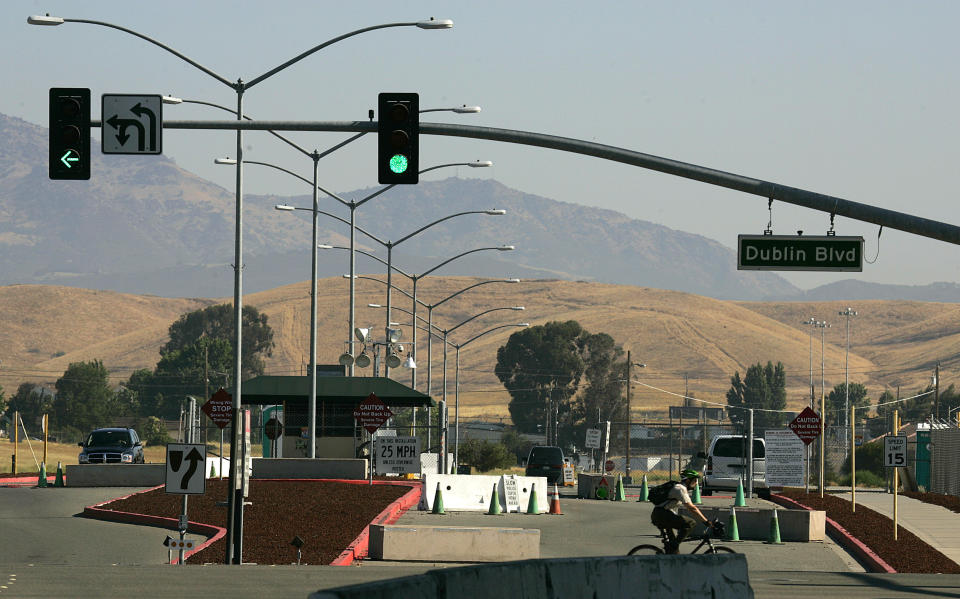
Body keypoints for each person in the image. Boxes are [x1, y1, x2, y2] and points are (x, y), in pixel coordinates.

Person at [650, 469, 714, 553]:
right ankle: (673, 546)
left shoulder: (680, 487)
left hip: (662, 514)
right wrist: (706, 521)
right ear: (688, 480)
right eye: (694, 480)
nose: (696, 483)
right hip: (662, 515)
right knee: (691, 523)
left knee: (674, 550)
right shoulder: (680, 489)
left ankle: (671, 554)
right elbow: (692, 508)